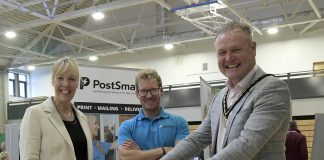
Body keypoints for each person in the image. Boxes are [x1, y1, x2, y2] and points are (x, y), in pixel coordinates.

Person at [161, 21, 291, 160]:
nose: (229, 58)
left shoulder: (272, 89)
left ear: (253, 48)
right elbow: (197, 138)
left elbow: (246, 145)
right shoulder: (220, 97)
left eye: (236, 50)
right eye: (222, 52)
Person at [19, 57, 93, 160]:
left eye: (71, 79)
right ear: (53, 81)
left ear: (77, 84)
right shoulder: (35, 114)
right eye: (60, 78)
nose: (66, 84)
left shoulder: (82, 118)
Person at [117, 69, 190, 160]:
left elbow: (182, 156)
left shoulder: (179, 123)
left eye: (153, 90)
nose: (149, 96)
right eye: (143, 91)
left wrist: (140, 154)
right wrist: (163, 150)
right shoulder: (127, 126)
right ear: (137, 94)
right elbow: (126, 157)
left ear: (161, 91)